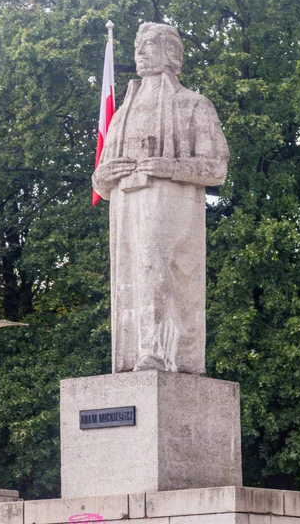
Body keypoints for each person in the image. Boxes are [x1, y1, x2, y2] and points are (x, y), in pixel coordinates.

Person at [92, 22, 230, 374]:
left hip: (171, 210)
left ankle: (159, 353)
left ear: (171, 52)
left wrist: (169, 167)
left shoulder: (193, 105)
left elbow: (216, 168)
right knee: (128, 282)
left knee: (159, 275)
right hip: (126, 208)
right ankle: (132, 357)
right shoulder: (122, 114)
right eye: (137, 44)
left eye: (149, 43)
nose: (140, 51)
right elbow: (100, 178)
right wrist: (108, 173)